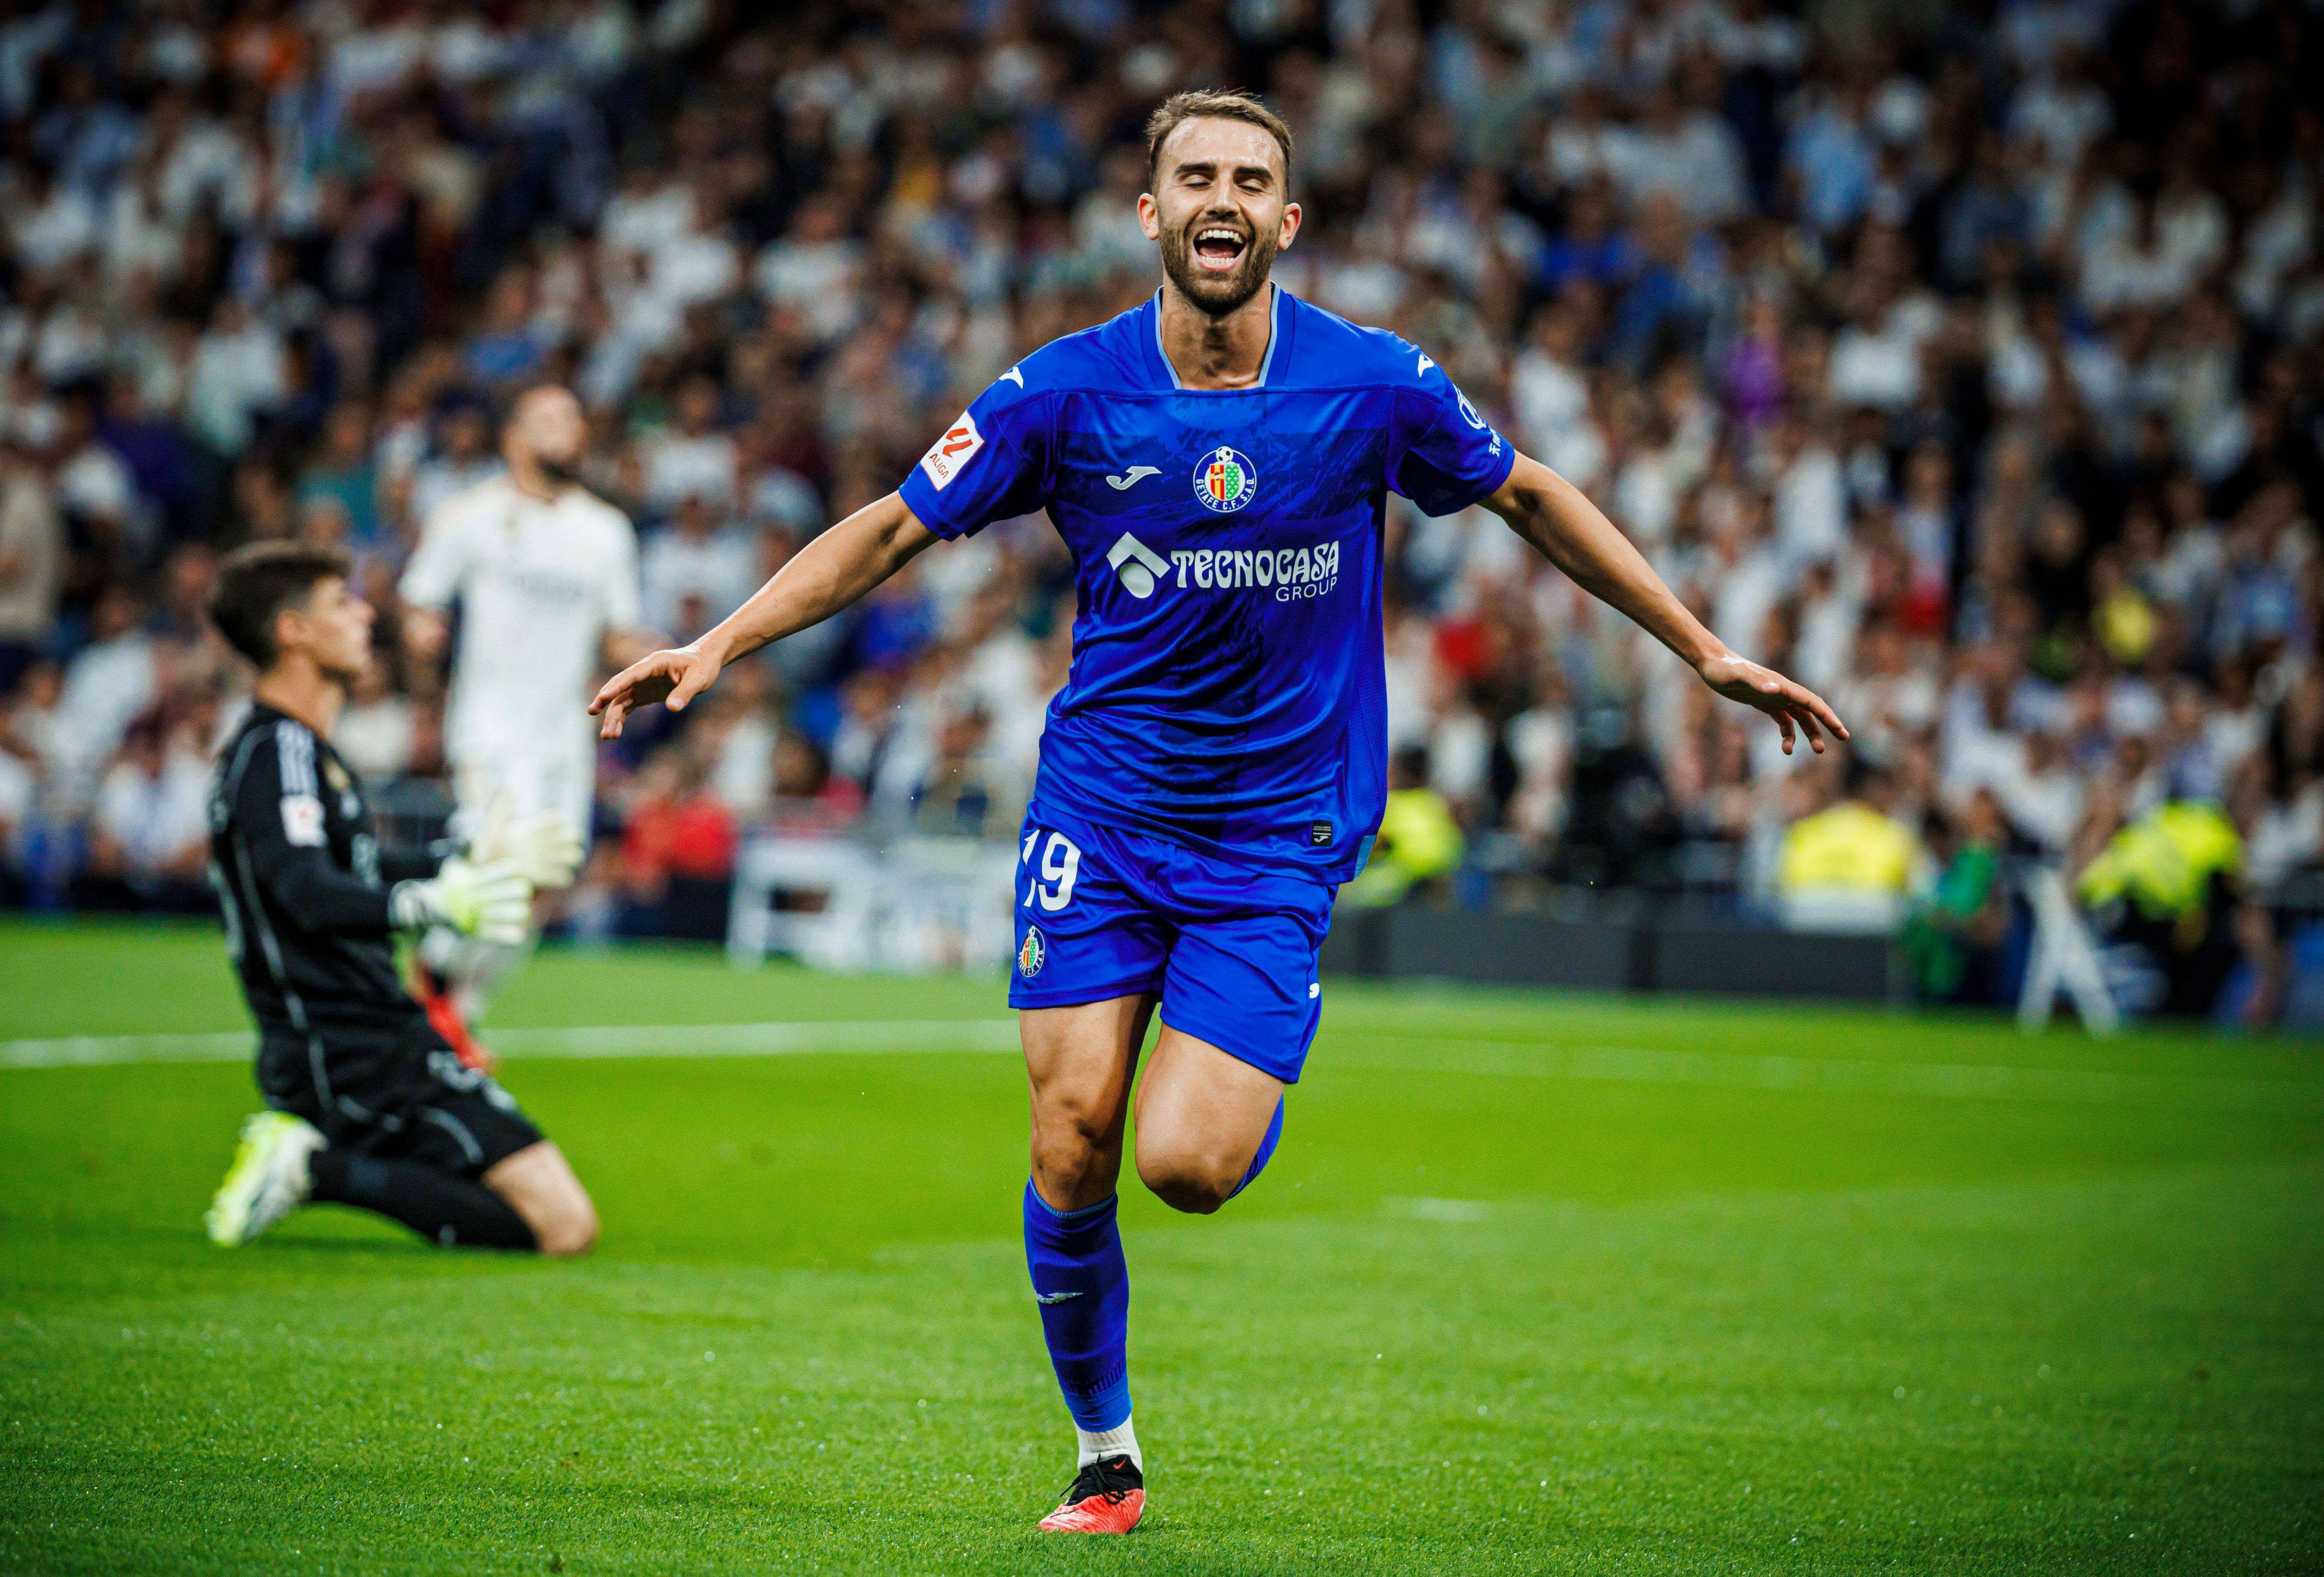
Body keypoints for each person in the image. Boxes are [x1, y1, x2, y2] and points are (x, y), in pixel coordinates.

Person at [590, 90, 1846, 1534]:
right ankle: (1106, 1455)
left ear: (1287, 220)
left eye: (1253, 178)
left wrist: (1702, 648)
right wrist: (717, 645)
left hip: (1277, 830)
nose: (1224, 198)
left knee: (1182, 1165)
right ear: (1152, 212)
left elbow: (1534, 495)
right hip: (1104, 806)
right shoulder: (1062, 390)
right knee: (1072, 1131)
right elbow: (888, 524)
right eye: (1196, 175)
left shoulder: (1373, 384)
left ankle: (1231, 1041)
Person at [201, 541, 597, 1256]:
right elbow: (306, 892)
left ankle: (320, 1165)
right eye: (342, 605)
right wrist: (435, 903)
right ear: (292, 632)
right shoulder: (277, 750)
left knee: (562, 1220)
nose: (363, 618)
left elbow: (354, 866)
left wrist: (470, 855)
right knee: (562, 1227)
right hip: (346, 1049)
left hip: (376, 1034)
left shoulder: (303, 750)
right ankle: (318, 1166)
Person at [399, 384, 648, 1055]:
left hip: (564, 732)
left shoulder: (605, 531)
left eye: (574, 418)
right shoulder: (469, 517)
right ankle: (436, 993)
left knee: (546, 880)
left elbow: (619, 632)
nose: (567, 430)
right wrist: (423, 646)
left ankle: (458, 1001)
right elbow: (421, 599)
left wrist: (666, 658)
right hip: (489, 724)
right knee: (499, 862)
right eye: (548, 420)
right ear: (513, 438)